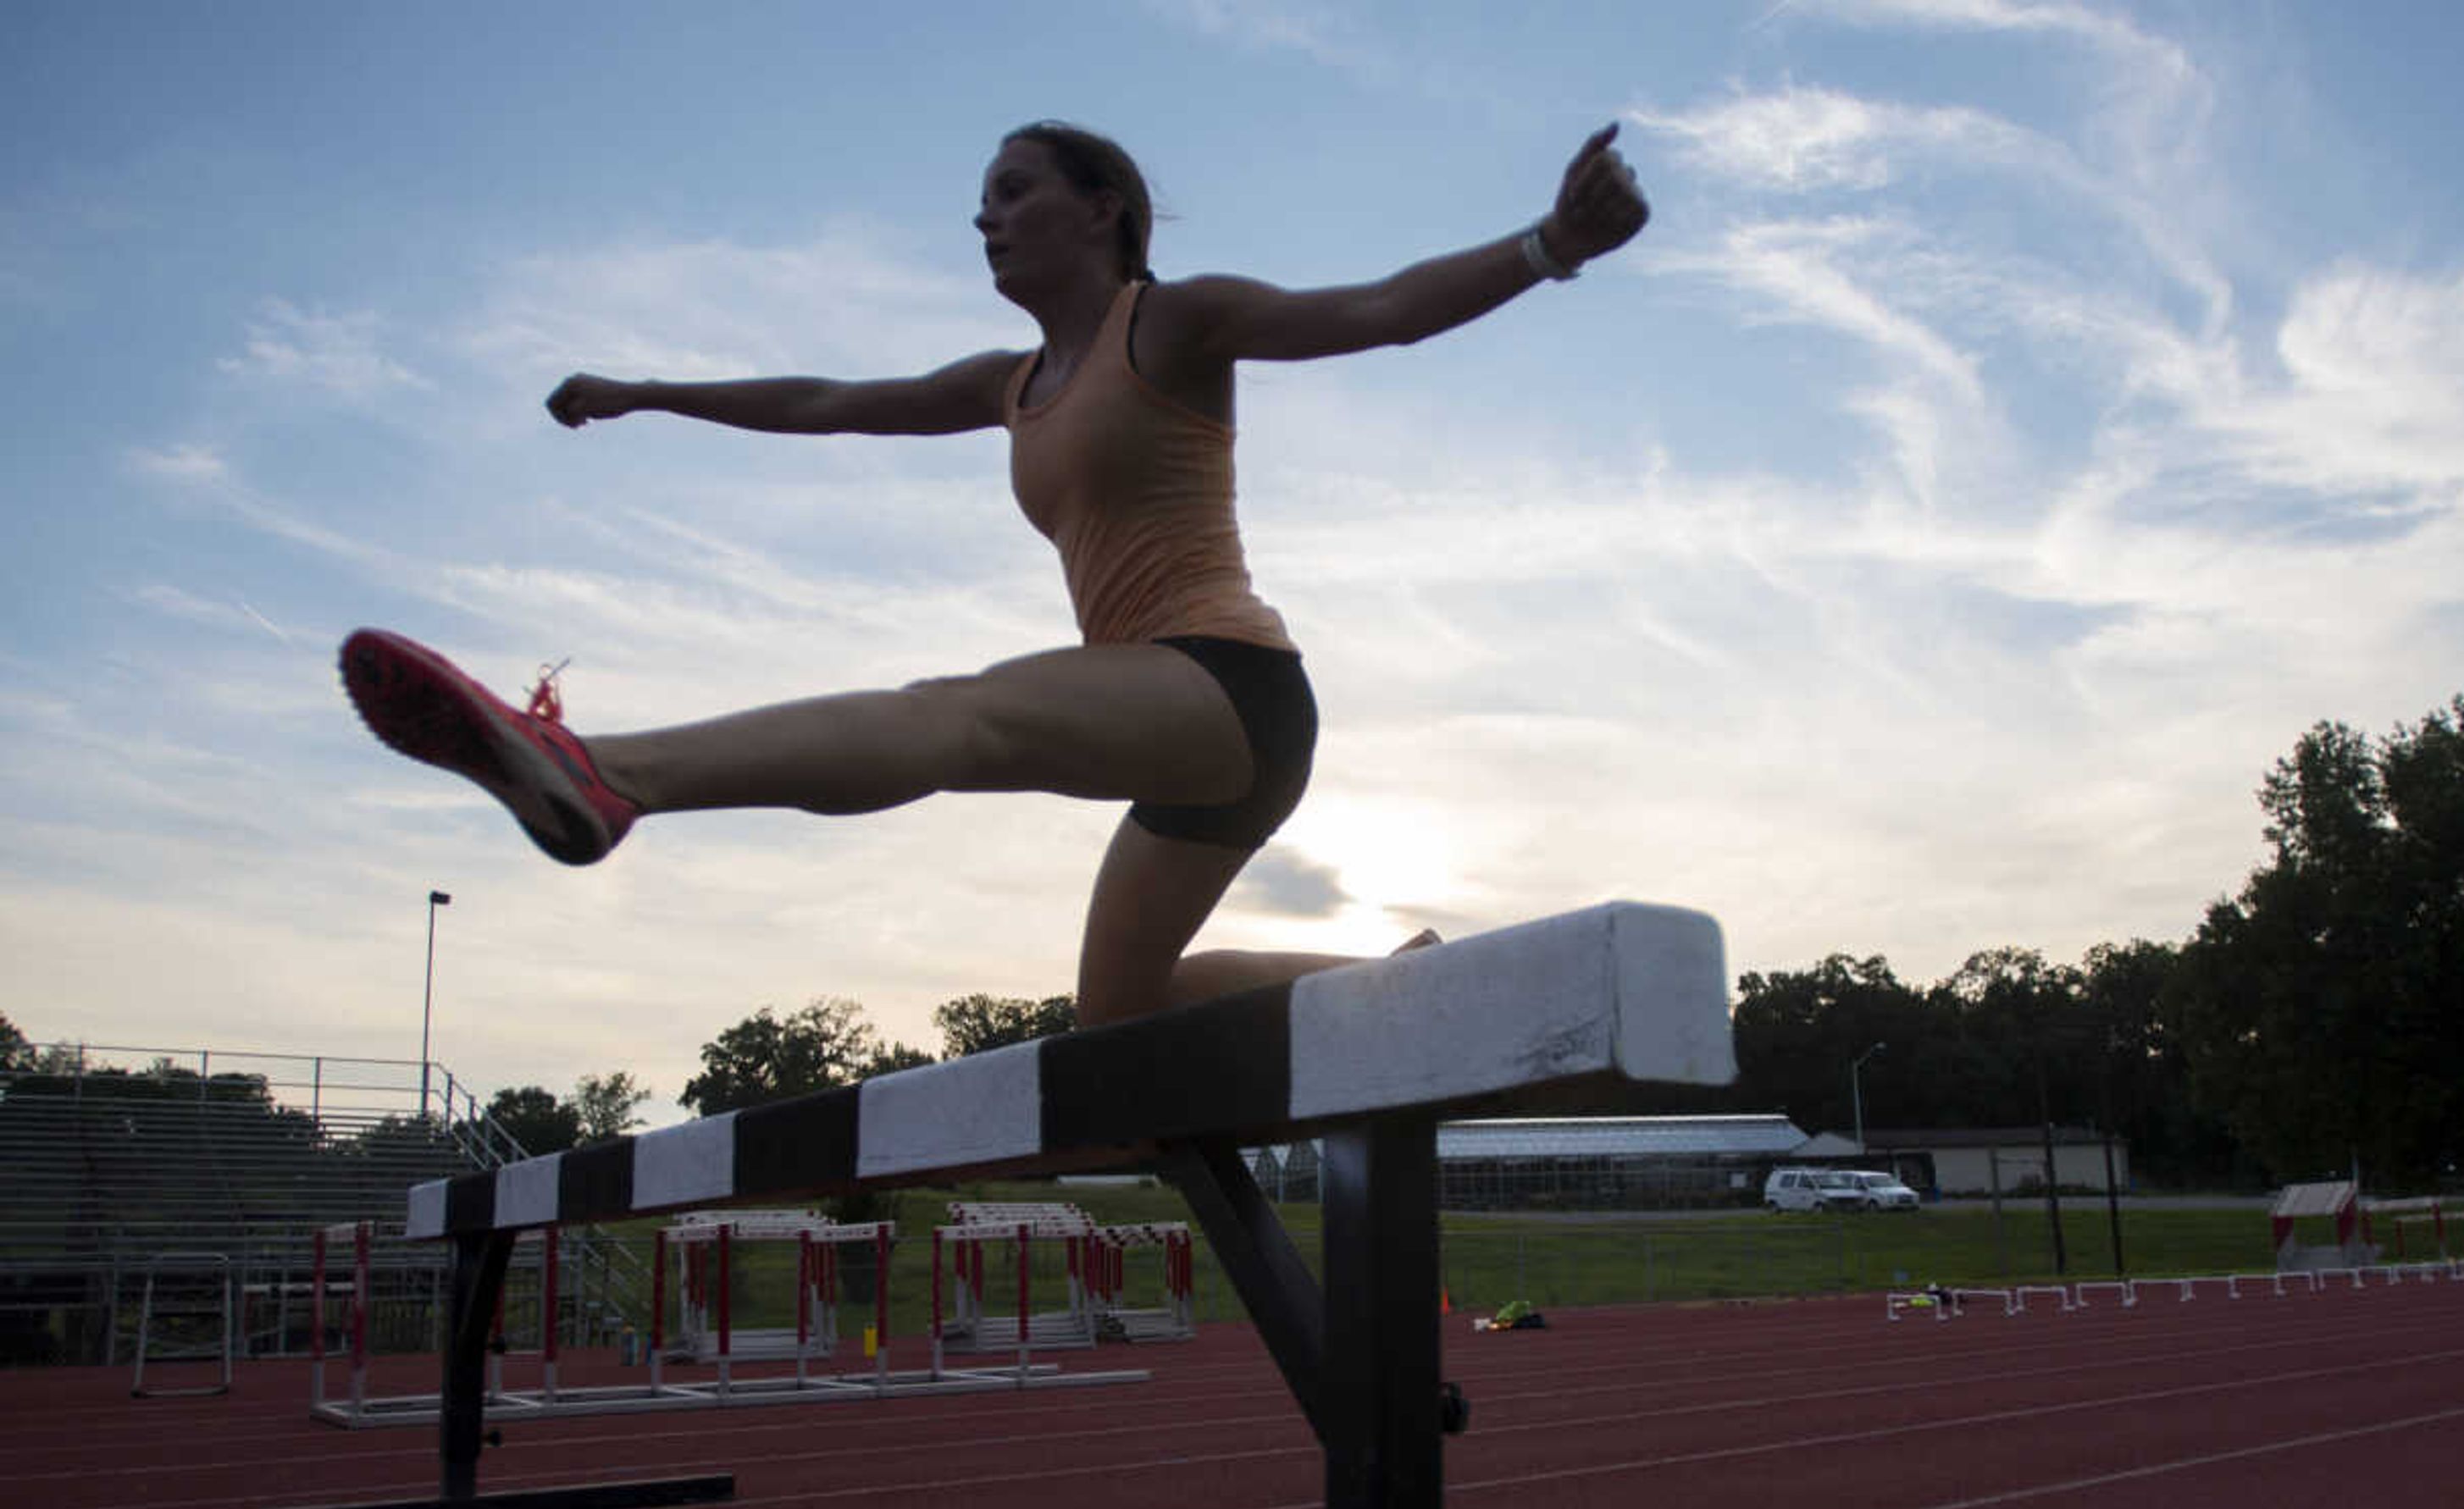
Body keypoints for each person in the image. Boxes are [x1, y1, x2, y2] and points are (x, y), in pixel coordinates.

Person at [340, 121, 1651, 1031]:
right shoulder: (1007, 384)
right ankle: (1396, 984)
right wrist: (649, 393)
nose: (985, 215)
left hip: (1230, 684)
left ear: (1104, 209)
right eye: (980, 201)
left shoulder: (1174, 320)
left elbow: (1377, 308)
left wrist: (1551, 244)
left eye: (1014, 189)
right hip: (1168, 728)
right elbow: (830, 399)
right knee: (1118, 1018)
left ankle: (612, 772)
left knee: (958, 714)